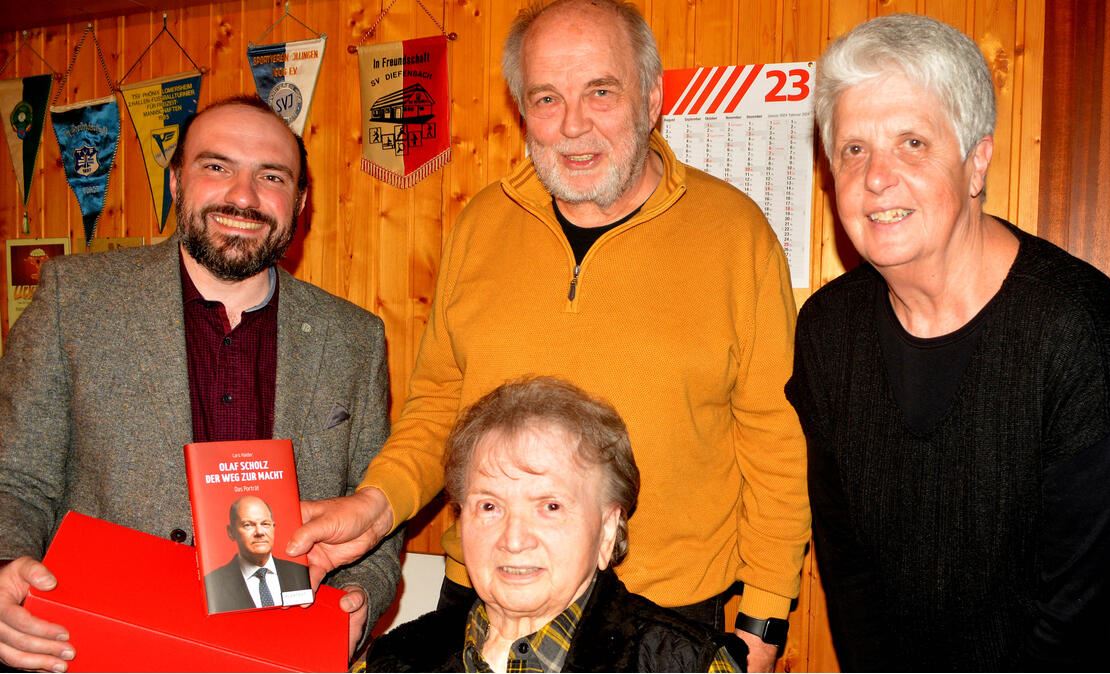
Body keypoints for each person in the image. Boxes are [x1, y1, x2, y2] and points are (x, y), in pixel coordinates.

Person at [289, 1, 810, 670]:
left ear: (651, 98)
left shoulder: (736, 236)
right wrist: (374, 506)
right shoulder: (481, 225)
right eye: (547, 97)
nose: (573, 125)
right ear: (521, 110)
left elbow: (776, 442)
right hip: (482, 600)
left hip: (662, 625)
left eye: (601, 91)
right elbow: (436, 411)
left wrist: (764, 621)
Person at [786, 14, 1110, 671]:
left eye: (912, 142)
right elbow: (850, 572)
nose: (876, 176)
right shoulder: (827, 334)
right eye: (853, 148)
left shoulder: (1078, 331)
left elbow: (1092, 620)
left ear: (977, 159)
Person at [0, 95, 402, 671]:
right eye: (217, 167)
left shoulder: (355, 338)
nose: (243, 196)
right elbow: (15, 479)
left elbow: (376, 512)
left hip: (278, 654)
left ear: (301, 201)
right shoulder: (76, 300)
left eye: (271, 176)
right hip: (98, 649)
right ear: (176, 182)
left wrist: (360, 602)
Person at [368, 376, 746, 672]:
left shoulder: (684, 664)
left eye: (549, 506)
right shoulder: (394, 659)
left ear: (608, 532)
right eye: (489, 506)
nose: (514, 540)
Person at [204, 496, 311, 613]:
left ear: (273, 528)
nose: (259, 532)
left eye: (265, 524)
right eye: (248, 525)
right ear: (231, 532)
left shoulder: (300, 572)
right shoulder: (213, 583)